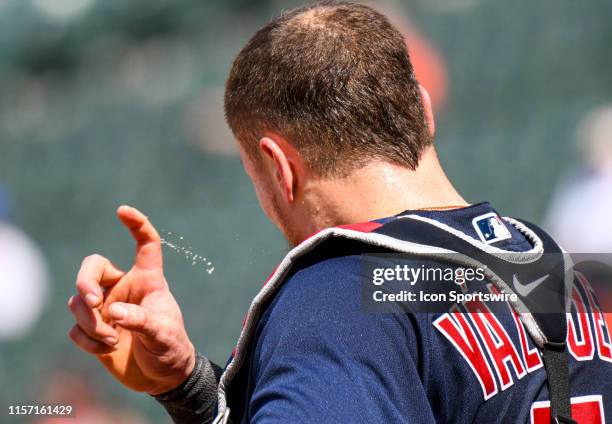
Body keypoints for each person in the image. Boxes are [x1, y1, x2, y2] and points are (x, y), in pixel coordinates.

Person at [67, 2, 611, 423]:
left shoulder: (336, 297)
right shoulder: (548, 264)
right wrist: (188, 386)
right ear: (423, 110)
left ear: (279, 168)